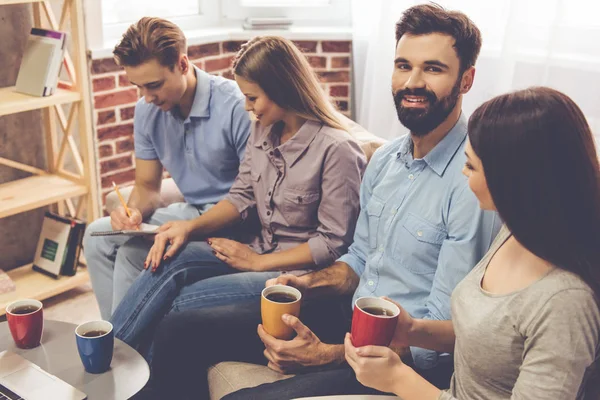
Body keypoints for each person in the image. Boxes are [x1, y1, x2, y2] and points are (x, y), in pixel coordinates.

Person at [148, 4, 501, 400]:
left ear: (466, 80)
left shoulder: (473, 182)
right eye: (403, 65)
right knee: (179, 330)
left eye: (433, 69)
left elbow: (440, 337)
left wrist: (327, 356)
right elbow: (359, 260)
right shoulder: (385, 161)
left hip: (402, 360)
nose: (412, 82)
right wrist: (308, 283)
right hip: (349, 317)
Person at [109, 36, 367, 352]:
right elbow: (242, 195)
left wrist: (261, 263)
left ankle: (119, 368)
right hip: (257, 249)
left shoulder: (338, 149)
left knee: (177, 303)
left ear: (283, 89)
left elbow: (333, 243)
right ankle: (111, 354)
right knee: (169, 259)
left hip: (294, 274)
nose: (247, 107)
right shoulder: (263, 128)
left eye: (253, 98)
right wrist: (188, 228)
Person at [345, 87, 600, 400]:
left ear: (511, 180)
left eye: (471, 166)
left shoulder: (565, 303)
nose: (463, 175)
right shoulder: (515, 233)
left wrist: (398, 379)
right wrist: (414, 330)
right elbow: (492, 340)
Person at [82, 17, 251, 320]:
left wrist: (189, 228)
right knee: (96, 236)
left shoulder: (236, 106)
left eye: (154, 85)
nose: (146, 97)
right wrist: (132, 212)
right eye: (138, 87)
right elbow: (147, 186)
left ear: (183, 64)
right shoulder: (147, 110)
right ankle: (113, 337)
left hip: (233, 220)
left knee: (134, 255)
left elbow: (251, 199)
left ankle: (122, 349)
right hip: (191, 210)